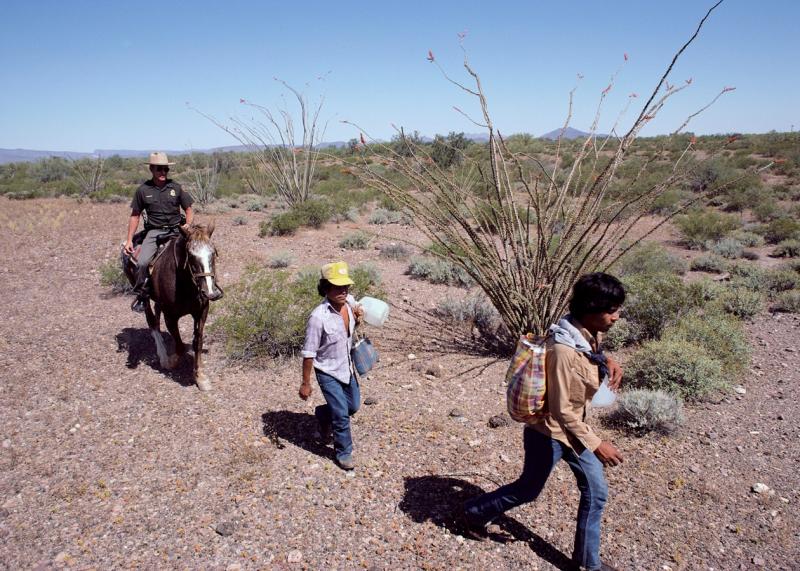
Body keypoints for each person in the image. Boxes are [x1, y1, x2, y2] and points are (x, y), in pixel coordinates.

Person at [463, 272, 626, 571]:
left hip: (574, 432)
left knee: (596, 492)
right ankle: (474, 513)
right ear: (591, 310)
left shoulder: (584, 333)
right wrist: (597, 444)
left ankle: (588, 565)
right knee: (528, 489)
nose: (616, 317)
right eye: (612, 311)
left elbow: (593, 354)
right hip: (549, 433)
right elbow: (562, 410)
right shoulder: (563, 351)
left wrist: (608, 361)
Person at [298, 262, 364, 471]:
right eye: (337, 287)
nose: (343, 291)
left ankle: (322, 414)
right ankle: (344, 453)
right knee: (342, 414)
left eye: (346, 286)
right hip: (327, 371)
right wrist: (305, 383)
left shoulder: (349, 302)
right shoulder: (318, 317)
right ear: (325, 288)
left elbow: (357, 315)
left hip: (347, 366)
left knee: (352, 406)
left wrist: (359, 316)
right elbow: (309, 353)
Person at [123, 152, 193, 312]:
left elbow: (188, 209)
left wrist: (188, 225)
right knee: (141, 263)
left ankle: (204, 288)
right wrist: (128, 240)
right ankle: (142, 295)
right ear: (152, 169)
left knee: (200, 254)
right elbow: (135, 215)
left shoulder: (176, 187)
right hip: (154, 232)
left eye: (165, 169)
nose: (163, 173)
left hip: (177, 230)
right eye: (159, 169)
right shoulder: (143, 190)